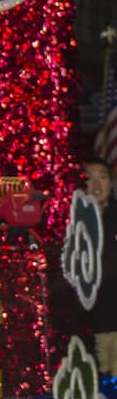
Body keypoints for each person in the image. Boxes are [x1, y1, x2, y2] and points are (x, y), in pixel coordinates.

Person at [86, 160, 117, 373]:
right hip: (87, 328)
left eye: (103, 177)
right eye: (89, 177)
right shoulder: (71, 222)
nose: (96, 183)